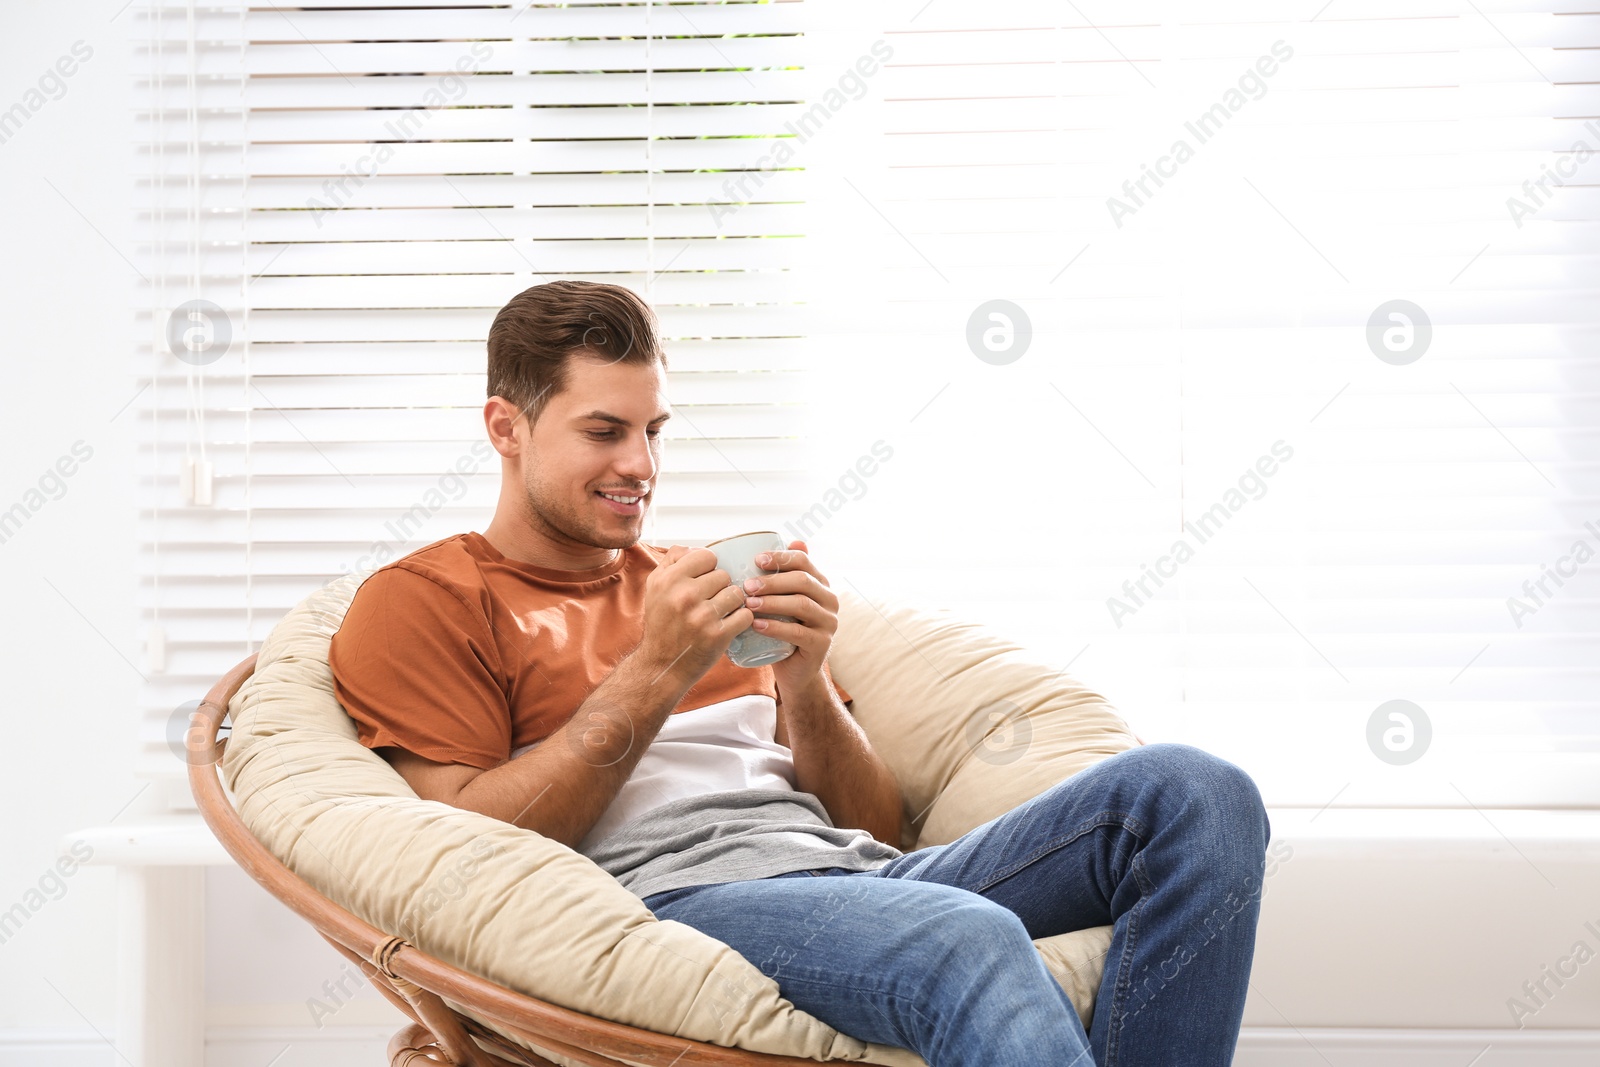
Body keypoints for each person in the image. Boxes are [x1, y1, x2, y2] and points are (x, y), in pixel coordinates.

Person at [328, 280, 1272, 1066]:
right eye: (605, 431)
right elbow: (466, 853)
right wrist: (654, 670)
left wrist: (808, 679)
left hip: (857, 876)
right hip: (675, 902)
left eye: (655, 429)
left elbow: (875, 828)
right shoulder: (428, 599)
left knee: (1198, 794)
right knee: (964, 938)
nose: (642, 465)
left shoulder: (693, 580)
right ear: (506, 425)